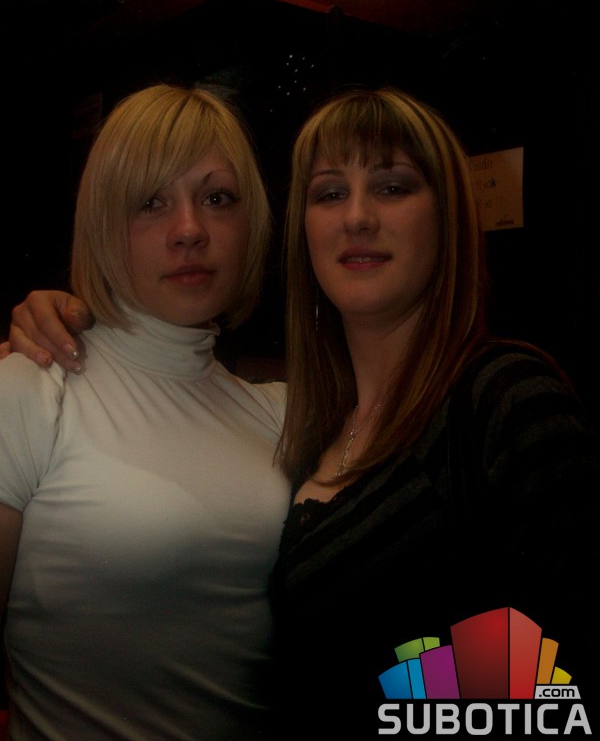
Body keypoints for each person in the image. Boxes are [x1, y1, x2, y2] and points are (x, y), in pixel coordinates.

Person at [4, 87, 599, 737]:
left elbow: (566, 685)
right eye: (330, 193)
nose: (358, 217)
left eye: (393, 187)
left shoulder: (499, 396)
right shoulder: (306, 423)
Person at [0, 83, 291, 740]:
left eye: (217, 198)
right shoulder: (30, 391)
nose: (190, 230)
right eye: (151, 202)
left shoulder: (280, 414)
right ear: (103, 224)